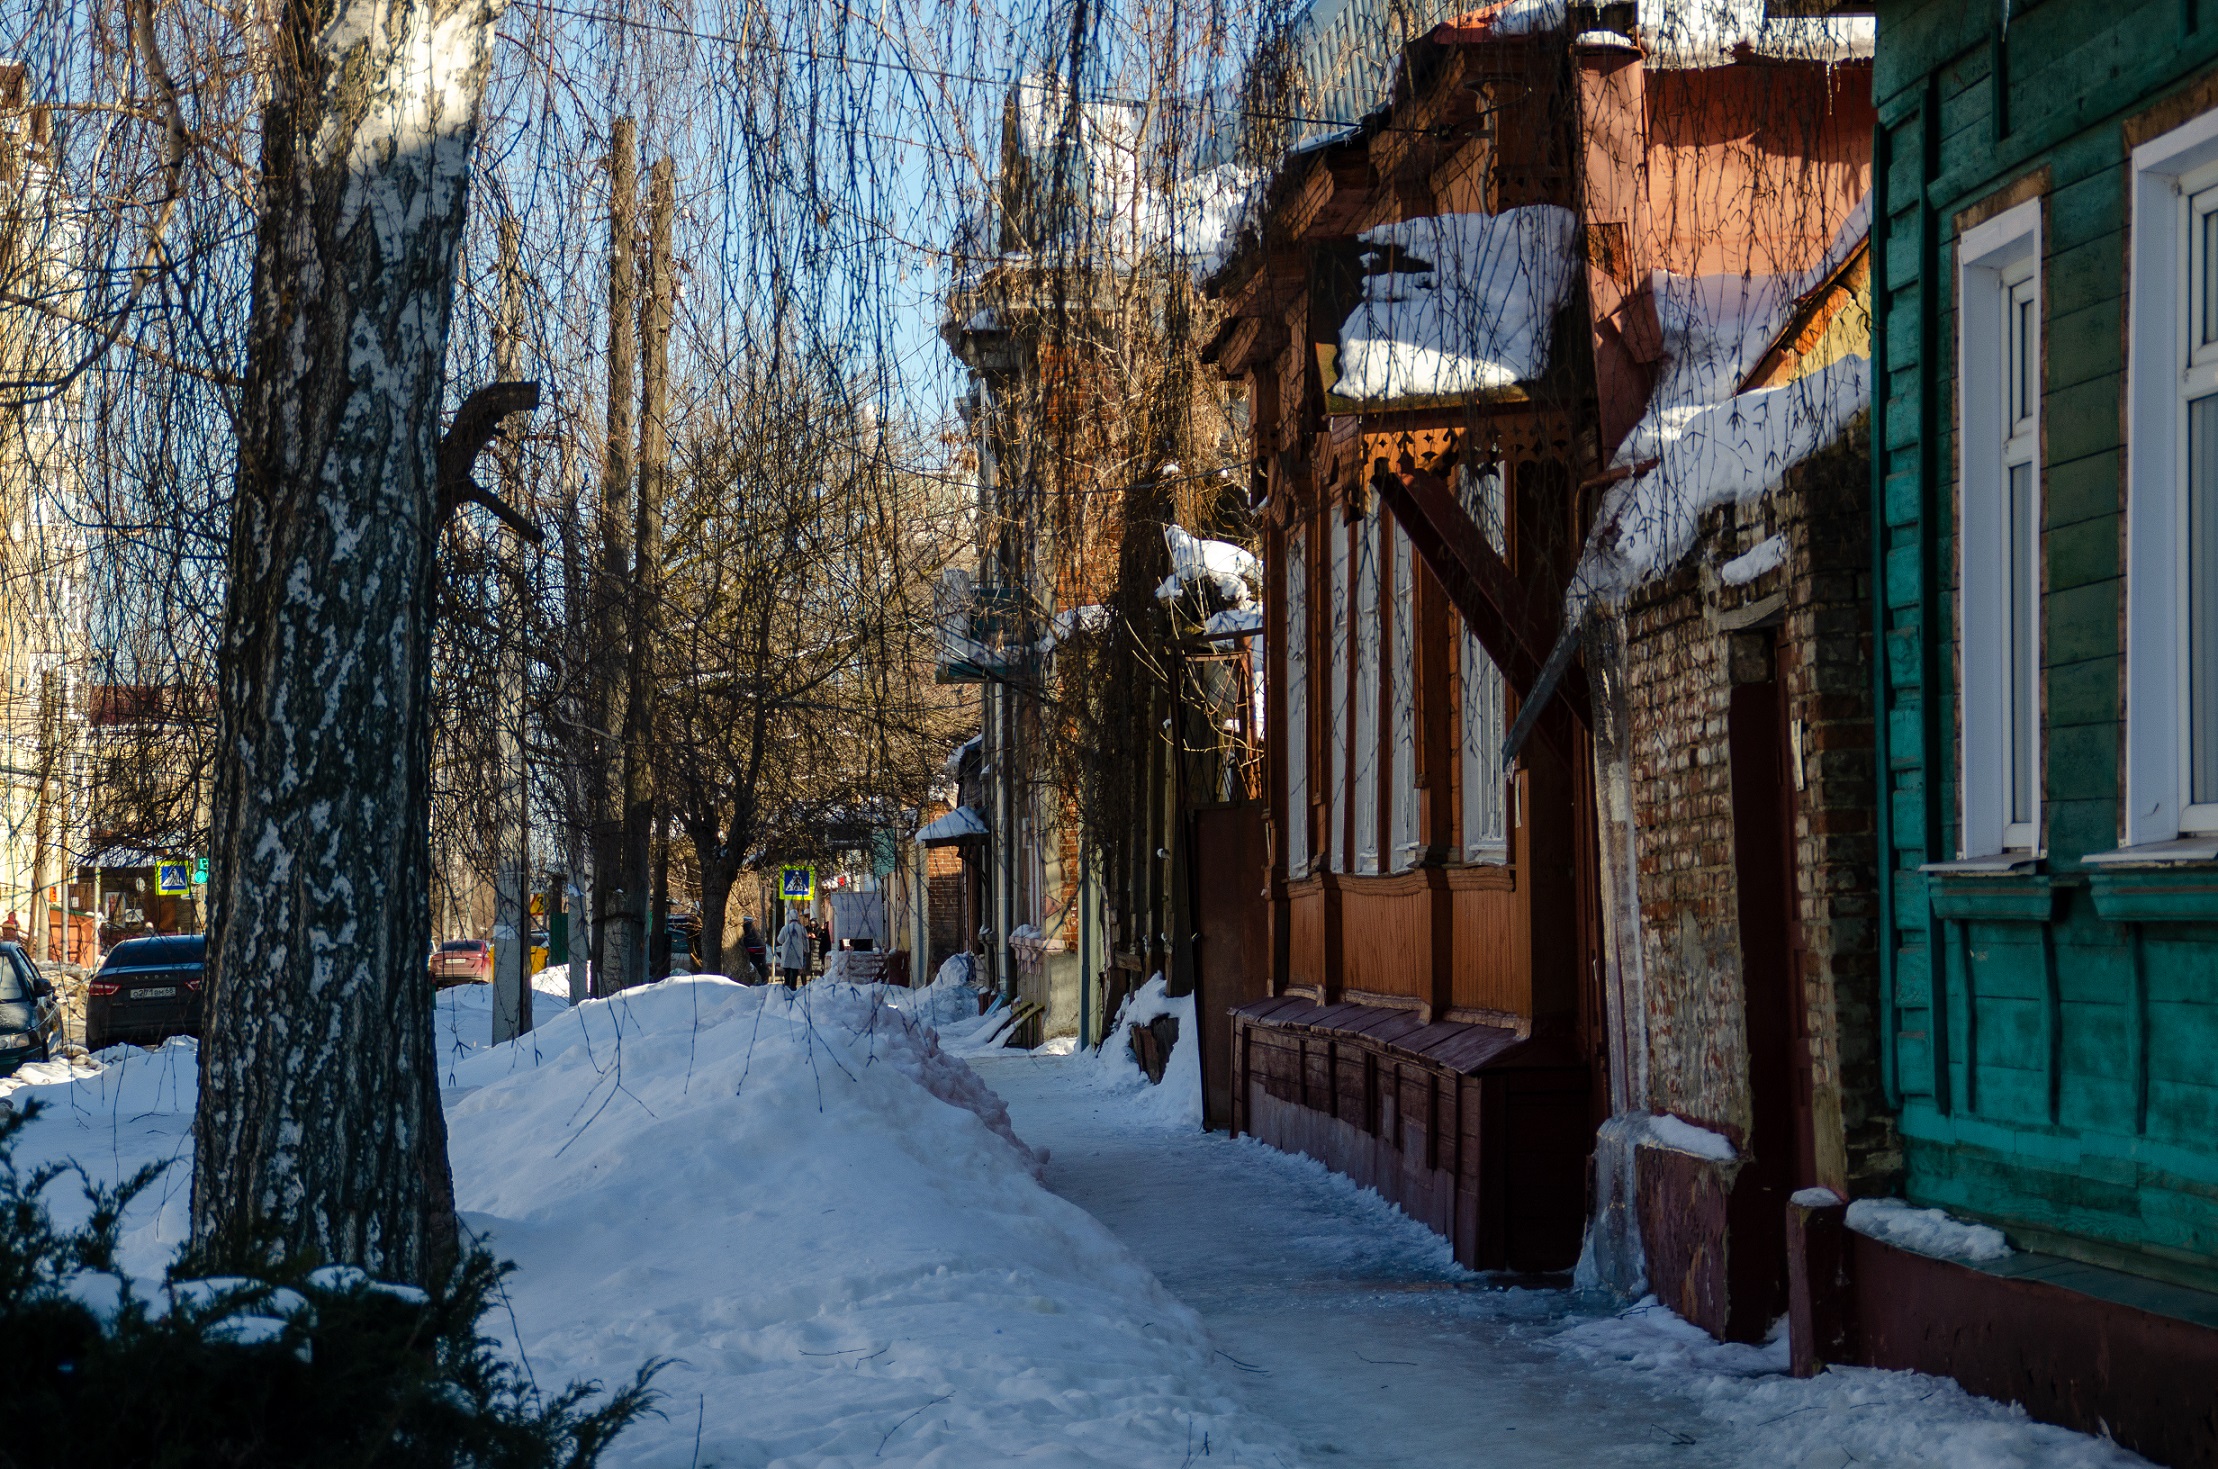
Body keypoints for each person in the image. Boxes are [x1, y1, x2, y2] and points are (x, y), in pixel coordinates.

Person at [774, 909, 811, 989]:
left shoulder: (785, 928)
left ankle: (786, 986)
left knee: (787, 971)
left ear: (789, 918)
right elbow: (806, 941)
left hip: (787, 952)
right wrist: (806, 950)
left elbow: (780, 940)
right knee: (794, 971)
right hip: (797, 953)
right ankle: (793, 987)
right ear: (797, 918)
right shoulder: (802, 929)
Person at [739, 916, 767, 983]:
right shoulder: (753, 930)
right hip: (759, 947)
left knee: (755, 966)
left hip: (752, 948)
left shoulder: (746, 929)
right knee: (761, 966)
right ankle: (764, 979)